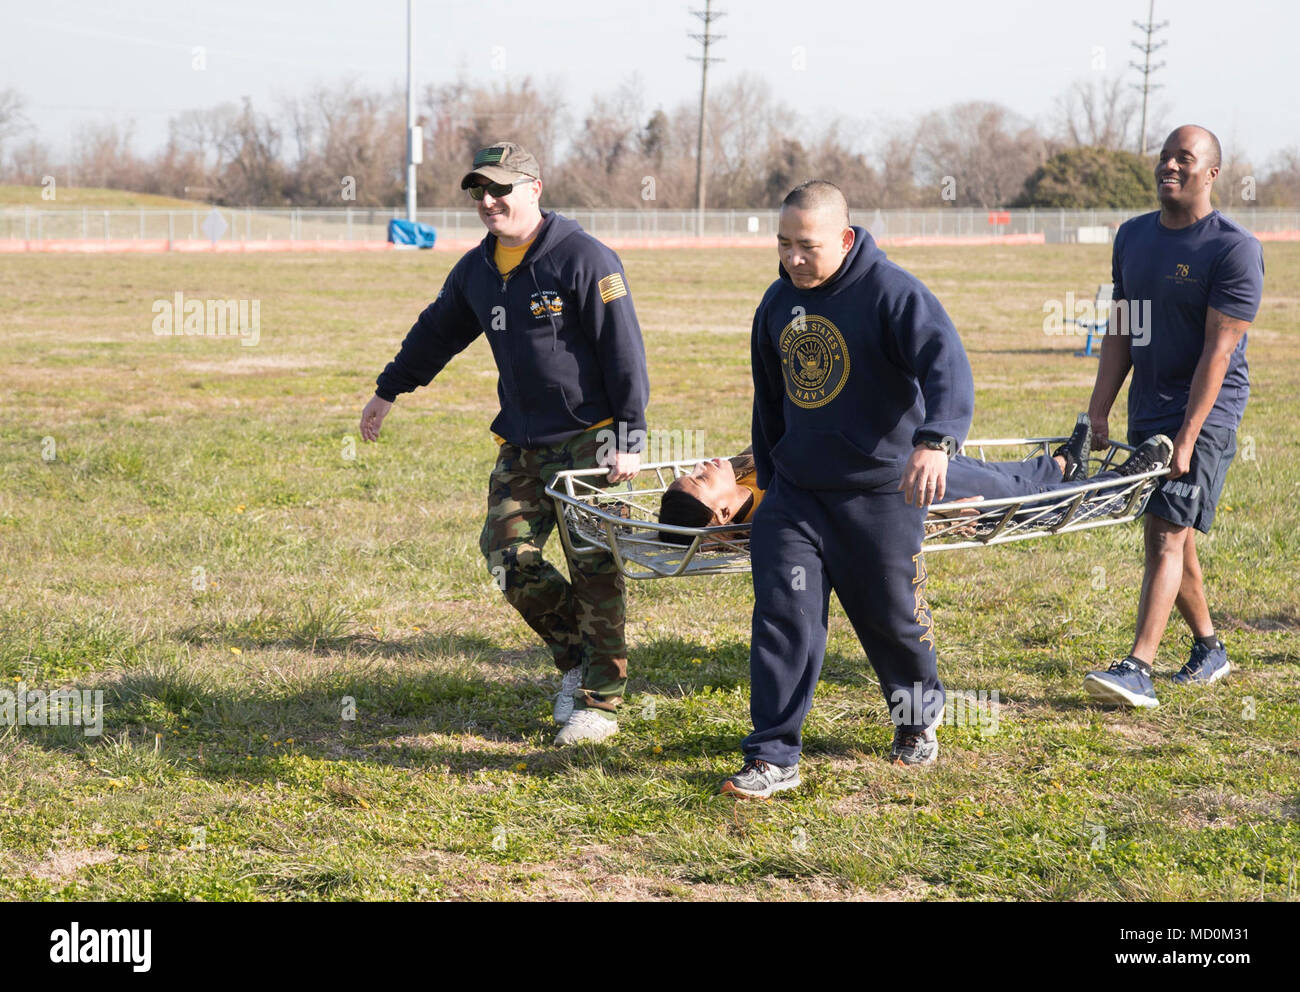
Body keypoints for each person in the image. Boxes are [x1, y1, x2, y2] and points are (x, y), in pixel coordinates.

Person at [359, 142, 650, 745]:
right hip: (520, 443)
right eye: (479, 192)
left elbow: (623, 350)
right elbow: (436, 331)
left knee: (595, 568)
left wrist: (630, 434)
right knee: (506, 556)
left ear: (534, 188)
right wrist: (390, 388)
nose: (489, 202)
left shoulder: (585, 258)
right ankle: (580, 656)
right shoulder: (477, 269)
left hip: (592, 442)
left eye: (501, 190)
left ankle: (601, 701)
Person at [720, 179, 975, 800]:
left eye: (806, 246)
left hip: (880, 495)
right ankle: (774, 754)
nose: (792, 259)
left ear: (845, 237)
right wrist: (771, 489)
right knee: (783, 618)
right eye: (783, 245)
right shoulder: (778, 303)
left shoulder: (893, 293)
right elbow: (770, 401)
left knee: (892, 620)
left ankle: (917, 716)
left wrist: (935, 439)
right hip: (798, 497)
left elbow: (946, 364)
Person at [1081, 125, 1264, 709]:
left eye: (1185, 159)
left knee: (1165, 532)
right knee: (1172, 534)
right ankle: (1210, 649)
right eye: (1165, 156)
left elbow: (1219, 350)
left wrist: (1187, 437)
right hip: (1149, 407)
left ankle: (1138, 667)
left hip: (1205, 413)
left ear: (1211, 173)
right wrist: (1098, 411)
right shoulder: (1133, 236)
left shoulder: (1232, 247)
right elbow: (1122, 328)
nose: (1170, 166)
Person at [658, 416, 1173, 539]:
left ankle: (1061, 467)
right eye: (700, 480)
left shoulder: (745, 476)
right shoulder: (767, 515)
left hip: (894, 463)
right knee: (1009, 498)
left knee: (994, 473)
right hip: (910, 495)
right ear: (724, 513)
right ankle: (1118, 487)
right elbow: (849, 523)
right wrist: (938, 520)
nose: (699, 468)